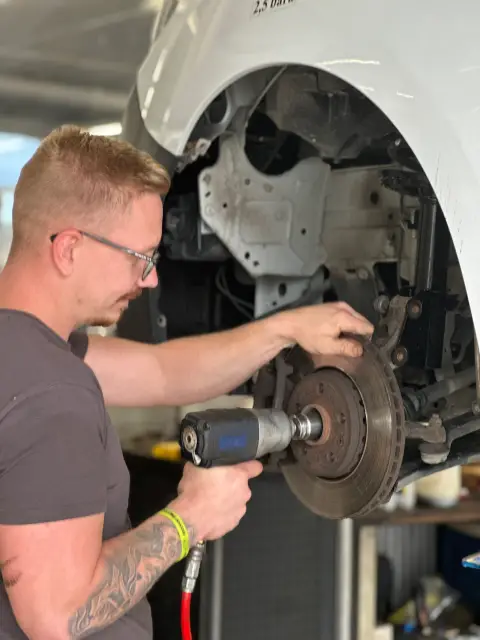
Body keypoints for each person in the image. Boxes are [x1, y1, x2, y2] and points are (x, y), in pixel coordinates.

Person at [0, 125, 374, 639]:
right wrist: (189, 519)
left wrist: (285, 328)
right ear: (69, 249)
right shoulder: (53, 391)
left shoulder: (29, 350)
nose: (151, 278)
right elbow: (59, 616)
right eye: (139, 257)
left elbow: (164, 372)